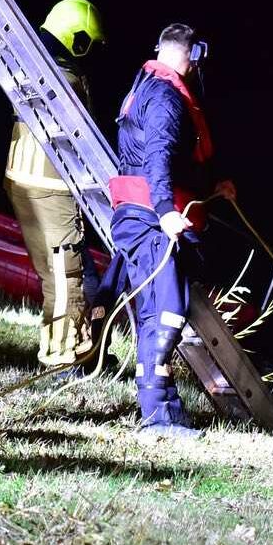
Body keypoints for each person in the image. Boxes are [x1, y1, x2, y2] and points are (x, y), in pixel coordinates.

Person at [108, 23, 234, 438]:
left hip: (137, 214)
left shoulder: (144, 83)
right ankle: (158, 417)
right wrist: (165, 211)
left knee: (156, 313)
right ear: (193, 56)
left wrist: (210, 188)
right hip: (150, 219)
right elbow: (157, 156)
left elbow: (163, 153)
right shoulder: (166, 96)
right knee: (165, 313)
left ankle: (166, 410)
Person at [4, 0, 106, 368]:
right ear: (77, 41)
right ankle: (61, 356)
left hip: (20, 180)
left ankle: (79, 348)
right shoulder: (69, 81)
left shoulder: (31, 69)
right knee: (67, 275)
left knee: (53, 273)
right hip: (53, 186)